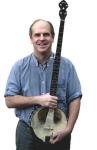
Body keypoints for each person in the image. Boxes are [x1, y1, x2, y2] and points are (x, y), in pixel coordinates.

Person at [4, 19, 82, 150]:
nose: (42, 38)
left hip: (58, 132)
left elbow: (75, 98)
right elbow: (9, 100)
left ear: (52, 37)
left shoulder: (67, 66)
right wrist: (39, 100)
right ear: (31, 38)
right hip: (27, 133)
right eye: (37, 35)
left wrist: (69, 129)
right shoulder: (19, 67)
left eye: (46, 34)